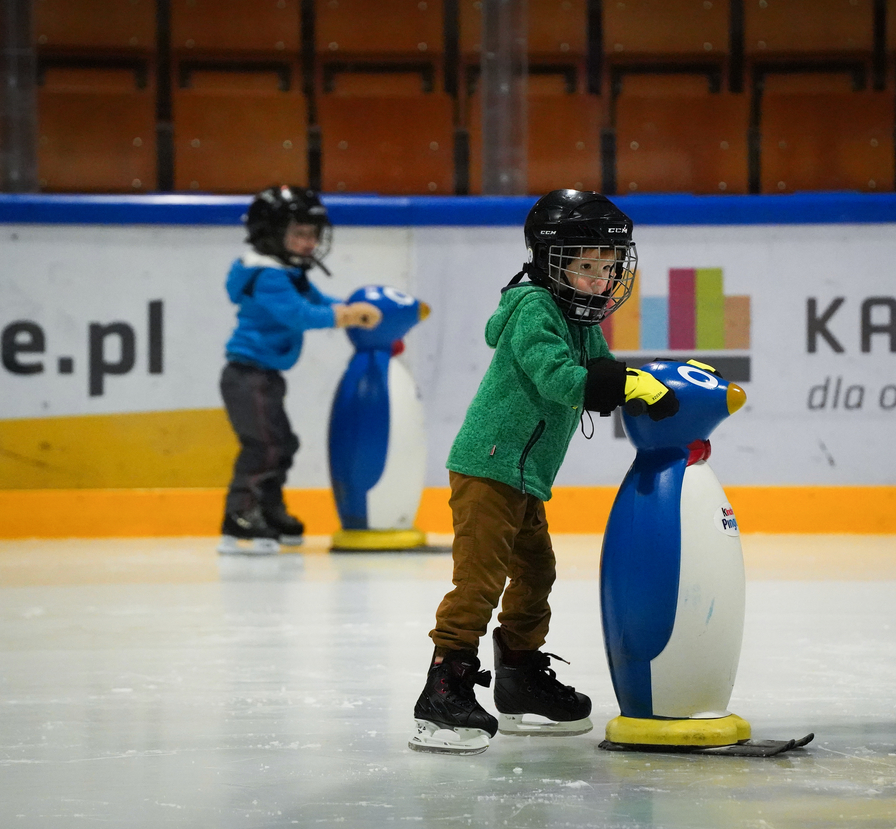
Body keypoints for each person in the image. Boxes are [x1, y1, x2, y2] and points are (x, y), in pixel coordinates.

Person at [409, 189, 681, 755]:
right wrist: (621, 385)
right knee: (479, 581)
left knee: (536, 576)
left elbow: (602, 369)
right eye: (585, 267)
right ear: (550, 261)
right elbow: (558, 377)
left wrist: (655, 378)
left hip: (524, 476)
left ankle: (519, 679)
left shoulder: (580, 315)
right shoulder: (535, 308)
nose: (600, 280)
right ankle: (444, 687)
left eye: (608, 268)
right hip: (488, 469)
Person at [218, 185, 382, 555]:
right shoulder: (269, 276)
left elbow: (316, 300)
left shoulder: (287, 272)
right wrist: (345, 315)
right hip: (247, 377)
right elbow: (300, 314)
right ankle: (239, 514)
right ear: (271, 234)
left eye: (313, 235)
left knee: (281, 444)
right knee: (264, 445)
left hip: (262, 376)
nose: (309, 243)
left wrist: (345, 306)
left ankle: (268, 509)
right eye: (299, 234)